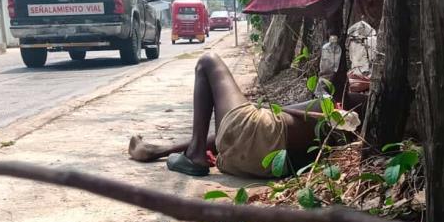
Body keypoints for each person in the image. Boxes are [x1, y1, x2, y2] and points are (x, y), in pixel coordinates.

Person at [129, 53, 364, 178]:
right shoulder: (360, 123)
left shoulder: (357, 104)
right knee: (250, 122)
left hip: (255, 146)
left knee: (207, 61)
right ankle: (162, 149)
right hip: (266, 164)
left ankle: (194, 155)